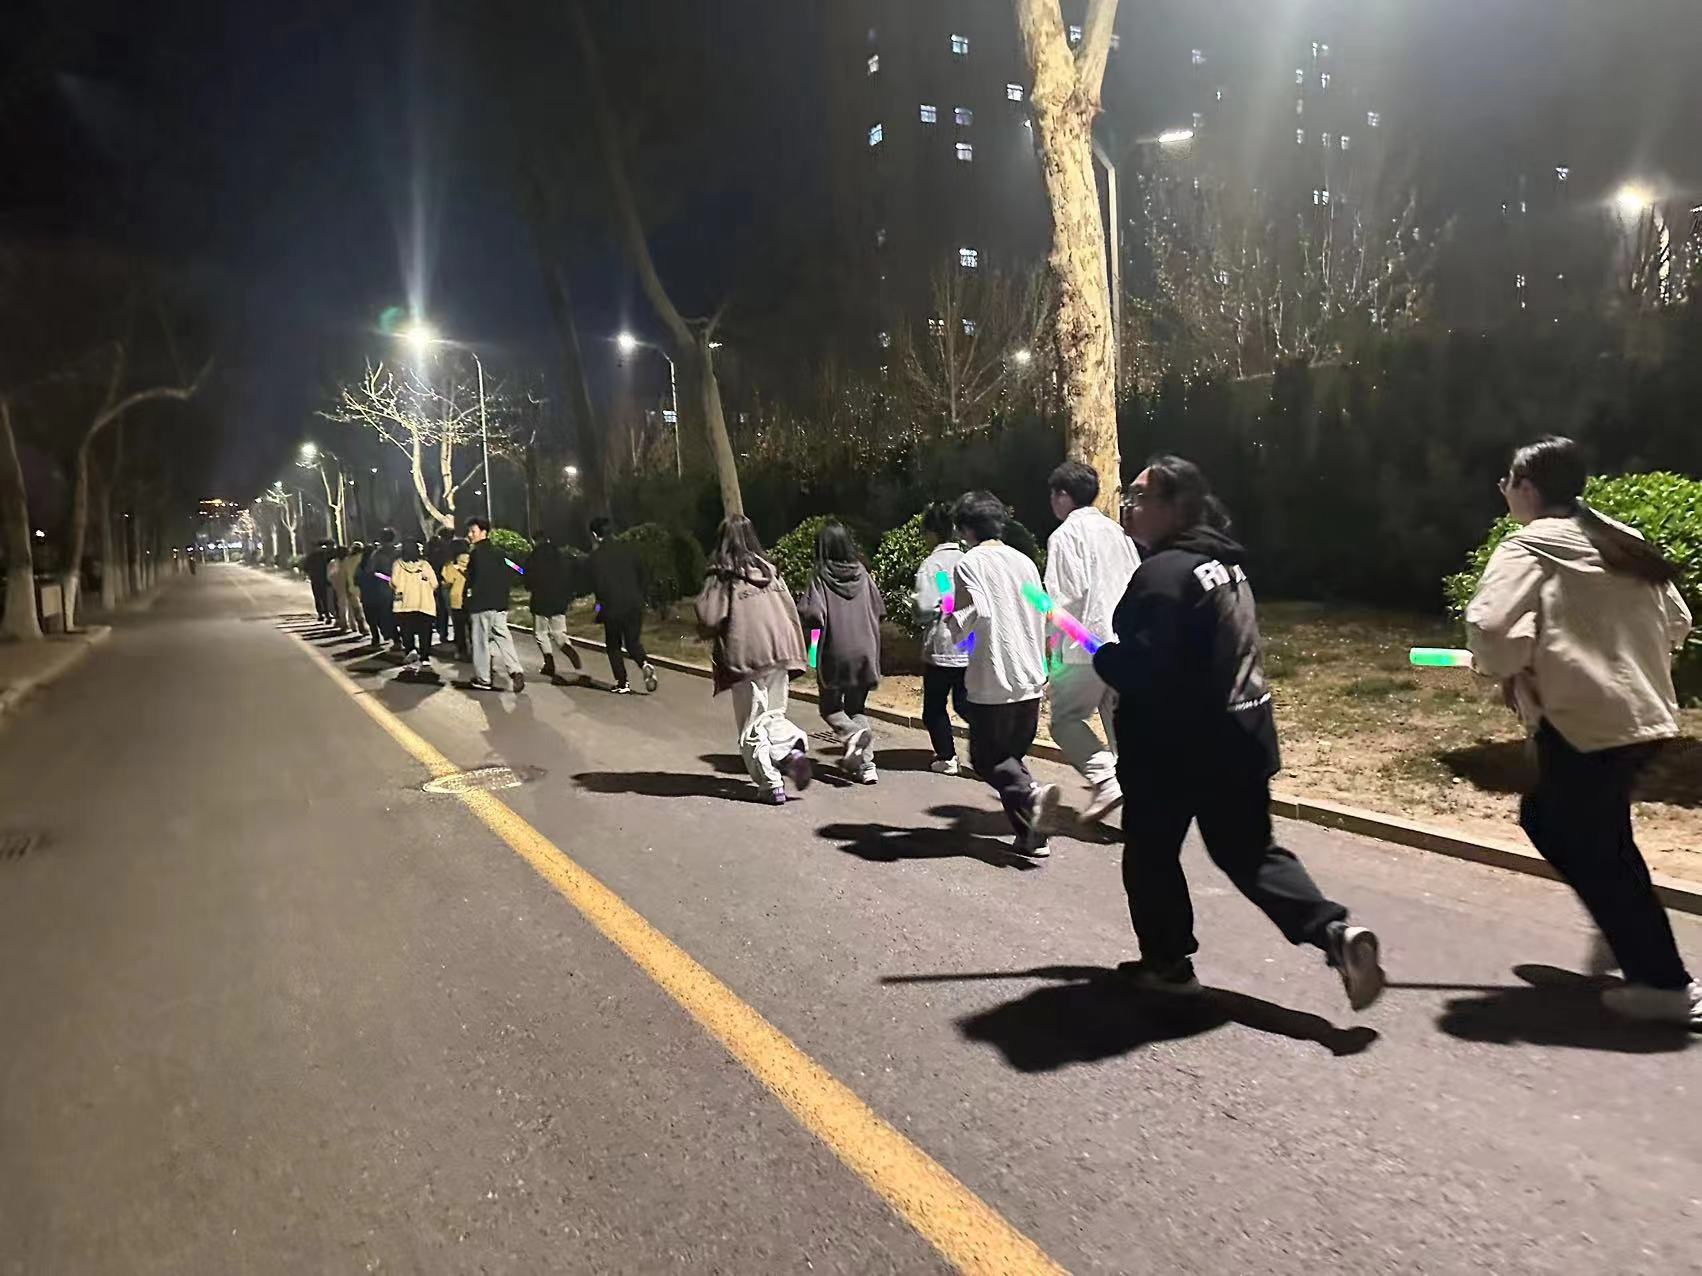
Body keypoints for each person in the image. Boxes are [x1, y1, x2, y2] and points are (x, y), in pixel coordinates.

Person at [1094, 456, 1384, 1009]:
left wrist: (1107, 659)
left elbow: (1148, 670)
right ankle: (1334, 933)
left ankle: (1168, 964)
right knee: (1251, 854)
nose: (1129, 507)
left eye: (1140, 497)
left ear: (1176, 507)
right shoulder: (1224, 565)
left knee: (1151, 854)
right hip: (1243, 734)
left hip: (1174, 749)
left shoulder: (1163, 575)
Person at [1466, 436, 1696, 1027]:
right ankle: (1625, 933)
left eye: (1507, 482)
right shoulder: (1622, 538)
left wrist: (1507, 666)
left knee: (1583, 840)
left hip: (1581, 722)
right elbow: (1678, 620)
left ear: (1526, 487)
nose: (1504, 491)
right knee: (1584, 833)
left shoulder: (1529, 547)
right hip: (1646, 717)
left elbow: (1491, 632)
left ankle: (1665, 984)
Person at [945, 491, 1059, 860]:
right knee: (1011, 761)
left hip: (994, 677)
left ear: (965, 529)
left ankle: (1031, 796)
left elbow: (972, 613)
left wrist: (950, 617)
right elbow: (1044, 609)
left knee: (986, 759)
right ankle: (1031, 836)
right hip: (1030, 677)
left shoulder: (969, 564)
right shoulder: (1024, 562)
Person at [1044, 461, 1141, 822]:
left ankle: (1105, 779)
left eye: (1053, 495)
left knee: (1065, 721)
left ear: (1063, 495)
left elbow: (1061, 601)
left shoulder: (1065, 536)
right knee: (1121, 727)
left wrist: (1052, 653)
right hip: (1125, 645)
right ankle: (1139, 805)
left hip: (1085, 647)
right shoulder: (1118, 532)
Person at [693, 515, 813, 805]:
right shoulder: (769, 570)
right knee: (773, 715)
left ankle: (771, 784)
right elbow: (789, 611)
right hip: (781, 651)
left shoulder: (723, 574)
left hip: (747, 657)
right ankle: (791, 751)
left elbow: (709, 616)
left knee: (752, 725)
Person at [798, 520, 884, 783]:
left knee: (831, 707)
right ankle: (867, 767)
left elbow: (814, 616)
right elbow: (880, 611)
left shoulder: (820, 577)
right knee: (857, 708)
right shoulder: (863, 574)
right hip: (866, 651)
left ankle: (851, 734)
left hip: (835, 652)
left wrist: (812, 654)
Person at [913, 503, 970, 775]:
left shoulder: (933, 564)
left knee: (934, 708)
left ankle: (947, 756)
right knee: (966, 704)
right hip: (969, 643)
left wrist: (921, 612)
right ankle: (993, 749)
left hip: (942, 646)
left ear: (932, 533)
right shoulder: (967, 560)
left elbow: (925, 607)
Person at [587, 516, 657, 695]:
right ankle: (644, 663)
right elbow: (643, 575)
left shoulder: (595, 557)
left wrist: (598, 608)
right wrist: (641, 597)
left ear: (594, 535)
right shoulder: (629, 549)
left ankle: (622, 682)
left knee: (613, 645)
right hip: (634, 603)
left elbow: (597, 586)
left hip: (612, 607)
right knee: (633, 642)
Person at [463, 517, 524, 693]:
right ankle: (516, 670)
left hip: (481, 604)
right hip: (500, 603)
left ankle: (483, 679)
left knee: (481, 643)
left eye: (473, 531)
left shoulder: (475, 554)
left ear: (484, 532)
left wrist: (468, 599)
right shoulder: (500, 553)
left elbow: (472, 580)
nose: (470, 535)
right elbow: (517, 569)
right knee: (503, 638)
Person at [525, 533, 585, 682]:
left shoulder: (534, 557)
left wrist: (529, 584)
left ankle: (549, 663)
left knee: (540, 633)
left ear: (534, 541)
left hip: (541, 601)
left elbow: (528, 578)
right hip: (559, 600)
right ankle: (567, 647)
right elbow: (572, 573)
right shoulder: (561, 556)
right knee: (558, 632)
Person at [390, 539, 441, 680]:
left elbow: (394, 582)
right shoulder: (425, 565)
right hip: (424, 604)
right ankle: (425, 658)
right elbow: (435, 584)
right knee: (425, 632)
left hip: (404, 605)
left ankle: (410, 650)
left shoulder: (397, 565)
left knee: (407, 630)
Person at [362, 529, 400, 653]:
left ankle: (396, 640)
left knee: (389, 615)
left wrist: (385, 578)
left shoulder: (377, 554)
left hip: (386, 589)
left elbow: (371, 571)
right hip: (404, 587)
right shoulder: (400, 552)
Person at [440, 538, 471, 661]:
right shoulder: (474, 560)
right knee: (473, 626)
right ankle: (476, 650)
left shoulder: (450, 565)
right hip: (472, 598)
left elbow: (447, 580)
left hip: (457, 599)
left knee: (459, 627)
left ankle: (462, 651)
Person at [426, 527, 456, 651]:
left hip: (439, 583)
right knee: (451, 610)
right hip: (448, 583)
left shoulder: (435, 551)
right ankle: (450, 634)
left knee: (442, 610)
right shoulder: (449, 550)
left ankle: (443, 633)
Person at [339, 541, 368, 638]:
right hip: (363, 587)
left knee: (357, 609)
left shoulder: (346, 560)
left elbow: (343, 575)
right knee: (365, 608)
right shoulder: (363, 558)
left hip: (351, 587)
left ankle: (362, 627)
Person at [303, 540, 334, 623]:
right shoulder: (327, 556)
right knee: (326, 597)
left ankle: (321, 614)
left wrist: (309, 574)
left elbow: (305, 568)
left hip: (315, 579)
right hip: (325, 579)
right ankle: (327, 614)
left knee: (317, 597)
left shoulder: (311, 557)